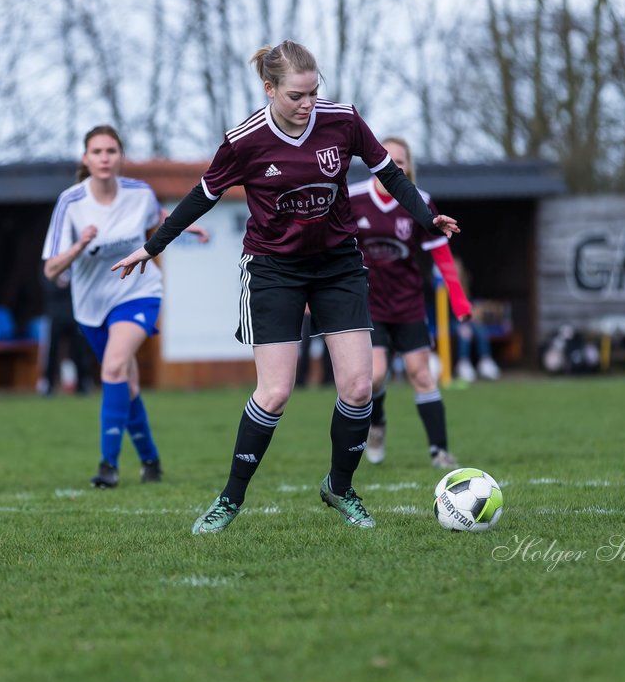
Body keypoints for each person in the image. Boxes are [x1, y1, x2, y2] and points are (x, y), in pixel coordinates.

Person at [112, 40, 459, 533]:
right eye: (298, 95)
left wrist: (427, 219)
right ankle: (230, 499)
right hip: (274, 269)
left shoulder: (343, 121)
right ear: (270, 89)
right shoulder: (245, 141)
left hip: (338, 264)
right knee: (275, 392)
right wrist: (152, 246)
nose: (308, 103)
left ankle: (341, 486)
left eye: (314, 92)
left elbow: (389, 174)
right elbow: (201, 196)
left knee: (360, 386)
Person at [43, 125, 206, 488]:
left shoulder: (139, 193)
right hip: (90, 306)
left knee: (114, 366)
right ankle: (150, 460)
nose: (104, 158)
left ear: (120, 157)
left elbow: (157, 217)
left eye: (111, 151)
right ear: (85, 159)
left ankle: (108, 466)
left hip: (138, 292)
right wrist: (79, 246)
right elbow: (51, 269)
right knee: (126, 381)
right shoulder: (70, 203)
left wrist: (186, 226)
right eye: (97, 152)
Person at [349, 136, 470, 469]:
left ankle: (439, 452)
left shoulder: (420, 201)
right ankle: (377, 424)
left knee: (421, 375)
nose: (393, 166)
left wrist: (458, 300)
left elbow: (440, 251)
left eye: (400, 161)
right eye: (386, 159)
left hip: (408, 303)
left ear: (408, 167)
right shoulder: (353, 198)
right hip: (368, 303)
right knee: (375, 376)